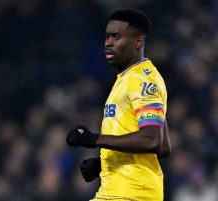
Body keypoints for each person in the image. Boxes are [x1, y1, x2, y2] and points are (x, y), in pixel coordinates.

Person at [66, 9, 171, 201]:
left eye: (116, 36)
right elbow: (163, 146)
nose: (108, 42)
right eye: (107, 36)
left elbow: (152, 140)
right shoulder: (128, 78)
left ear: (138, 42)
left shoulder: (142, 81)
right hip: (117, 192)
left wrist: (94, 139)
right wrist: (104, 163)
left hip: (132, 193)